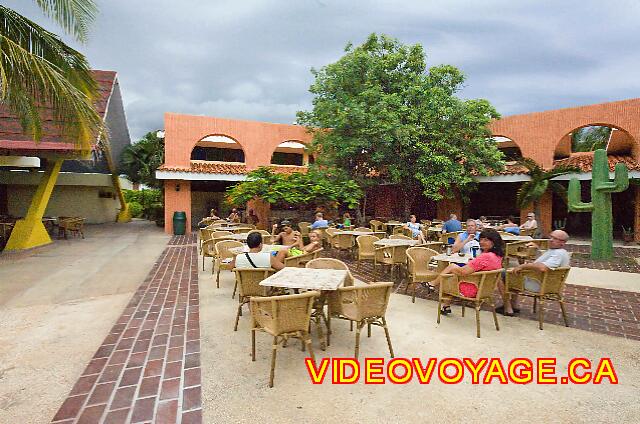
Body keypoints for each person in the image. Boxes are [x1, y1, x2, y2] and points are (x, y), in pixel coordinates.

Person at [498, 230, 570, 316]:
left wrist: (522, 266)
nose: (550, 239)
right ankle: (514, 304)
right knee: (512, 274)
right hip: (548, 284)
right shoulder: (560, 252)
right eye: (550, 237)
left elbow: (543, 268)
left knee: (500, 274)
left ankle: (508, 307)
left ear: (562, 242)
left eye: (555, 238)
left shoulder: (558, 254)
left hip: (538, 285)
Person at [434, 229, 504, 315]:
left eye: (486, 240)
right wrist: (473, 261)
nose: (482, 242)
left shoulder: (486, 256)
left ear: (494, 242)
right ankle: (446, 306)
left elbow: (463, 272)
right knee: (452, 274)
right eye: (481, 239)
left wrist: (453, 267)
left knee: (447, 277)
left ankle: (432, 284)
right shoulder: (497, 256)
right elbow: (481, 267)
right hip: (485, 289)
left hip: (472, 289)